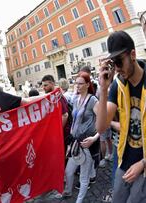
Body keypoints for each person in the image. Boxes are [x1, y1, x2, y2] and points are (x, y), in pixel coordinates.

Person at [97, 30, 146, 203]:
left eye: (119, 61)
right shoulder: (118, 85)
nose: (117, 68)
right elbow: (101, 127)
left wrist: (143, 164)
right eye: (113, 63)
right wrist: (103, 89)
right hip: (123, 161)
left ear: (133, 54)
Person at [62, 73, 100, 203]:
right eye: (75, 83)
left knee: (84, 177)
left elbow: (104, 121)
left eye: (80, 83)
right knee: (68, 171)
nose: (77, 86)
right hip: (75, 142)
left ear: (88, 85)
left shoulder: (92, 100)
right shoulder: (75, 98)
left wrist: (94, 138)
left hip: (87, 143)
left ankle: (79, 200)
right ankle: (67, 191)